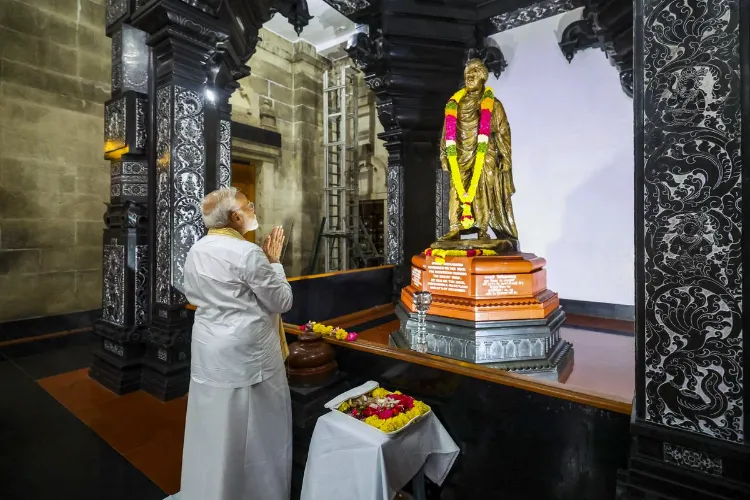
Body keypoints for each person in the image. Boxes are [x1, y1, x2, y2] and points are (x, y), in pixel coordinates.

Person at [171, 187, 293, 500]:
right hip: (246, 354)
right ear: (235, 217)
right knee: (255, 431)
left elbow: (191, 292)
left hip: (209, 347)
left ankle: (208, 489)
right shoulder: (247, 253)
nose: (253, 208)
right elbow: (281, 300)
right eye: (248, 205)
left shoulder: (198, 249)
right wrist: (274, 262)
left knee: (211, 427)